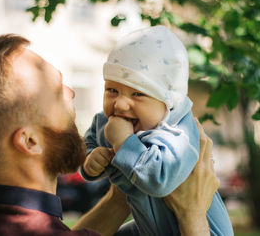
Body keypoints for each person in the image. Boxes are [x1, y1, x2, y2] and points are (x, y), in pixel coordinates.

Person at [0, 33, 219, 236]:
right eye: (56, 93)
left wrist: (121, 198)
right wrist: (192, 218)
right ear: (29, 141)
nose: (71, 93)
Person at [81, 26, 233, 236]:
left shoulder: (178, 130)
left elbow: (160, 181)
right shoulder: (105, 121)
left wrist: (125, 143)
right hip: (149, 227)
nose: (120, 104)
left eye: (138, 94)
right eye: (112, 90)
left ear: (167, 101)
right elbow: (88, 144)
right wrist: (91, 162)